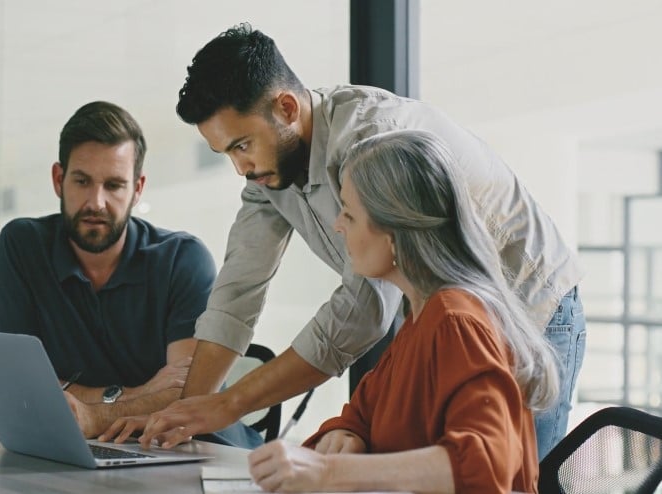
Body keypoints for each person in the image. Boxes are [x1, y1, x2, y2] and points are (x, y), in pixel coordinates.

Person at [114, 24, 584, 460]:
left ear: (286, 108)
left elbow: (362, 309)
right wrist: (189, 417)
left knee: (512, 475)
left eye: (241, 145)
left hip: (531, 309)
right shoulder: (269, 173)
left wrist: (229, 404)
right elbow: (237, 291)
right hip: (445, 319)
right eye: (226, 153)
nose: (240, 167)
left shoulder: (373, 145)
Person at [247, 130, 558, 493]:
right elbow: (363, 415)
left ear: (393, 233)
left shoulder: (455, 320)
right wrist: (348, 435)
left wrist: (329, 473)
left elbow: (485, 464)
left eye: (349, 213)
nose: (337, 225)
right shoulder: (421, 315)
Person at [0, 100, 261, 449]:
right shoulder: (23, 246)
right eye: (82, 181)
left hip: (201, 454)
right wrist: (135, 394)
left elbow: (185, 394)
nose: (96, 202)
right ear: (59, 179)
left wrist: (91, 413)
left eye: (114, 185)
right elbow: (13, 384)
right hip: (88, 450)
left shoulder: (182, 259)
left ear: (138, 189)